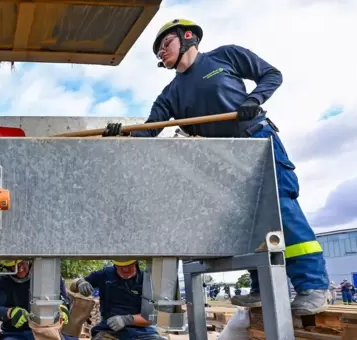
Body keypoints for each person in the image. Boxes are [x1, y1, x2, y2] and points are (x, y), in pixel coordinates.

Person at [102, 19, 329, 316]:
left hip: (256, 142)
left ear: (187, 37)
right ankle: (262, 288)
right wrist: (122, 134)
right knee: (245, 223)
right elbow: (148, 132)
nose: (161, 52)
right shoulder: (171, 94)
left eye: (164, 44)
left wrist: (254, 99)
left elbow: (272, 75)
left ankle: (313, 286)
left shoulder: (226, 57)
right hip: (223, 160)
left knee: (282, 209)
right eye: (157, 51)